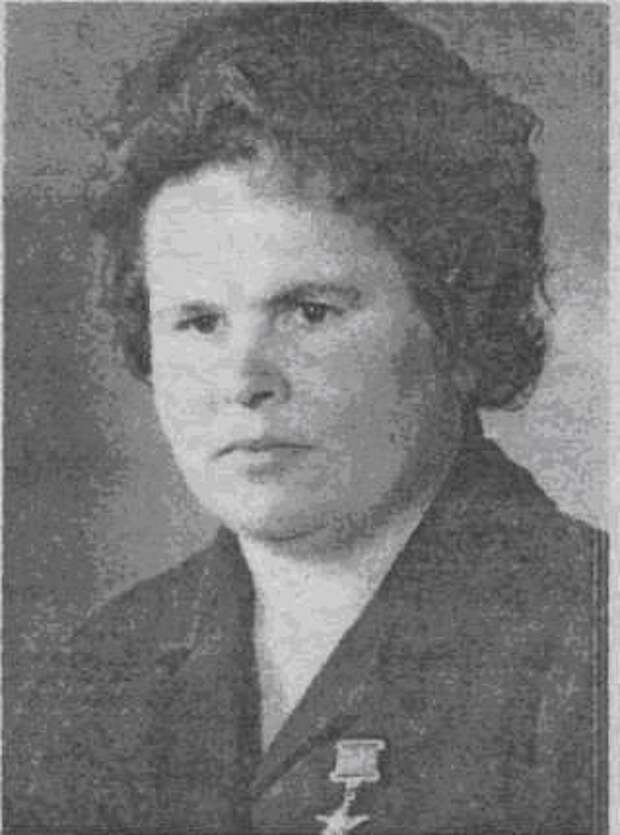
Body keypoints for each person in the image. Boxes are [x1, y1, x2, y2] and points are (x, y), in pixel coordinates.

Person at [5, 5, 607, 834]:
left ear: (454, 317)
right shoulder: (99, 675)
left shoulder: (589, 641)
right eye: (199, 322)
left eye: (310, 311)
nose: (244, 380)